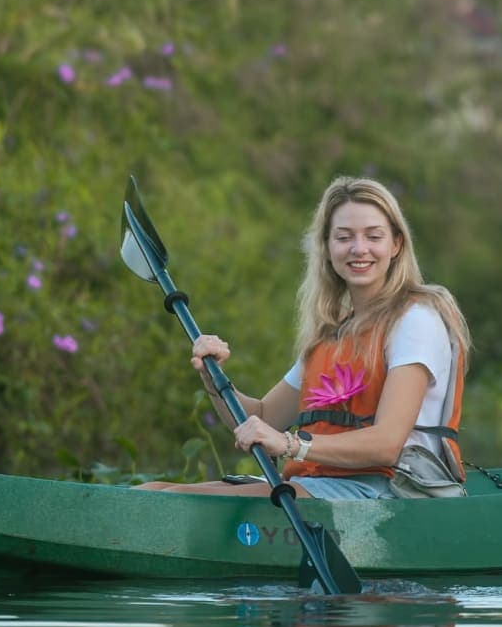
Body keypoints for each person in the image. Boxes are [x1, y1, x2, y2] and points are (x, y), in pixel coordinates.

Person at [137, 175, 470, 499]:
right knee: (153, 493)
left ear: (396, 244)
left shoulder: (416, 319)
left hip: (392, 490)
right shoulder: (332, 334)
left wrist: (292, 445)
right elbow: (264, 418)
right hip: (321, 483)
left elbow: (387, 444)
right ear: (326, 247)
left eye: (373, 236)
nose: (359, 248)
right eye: (343, 237)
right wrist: (213, 378)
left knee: (176, 499)